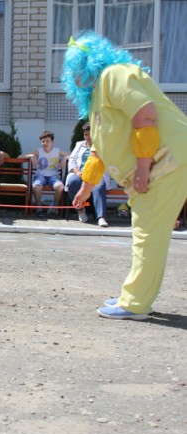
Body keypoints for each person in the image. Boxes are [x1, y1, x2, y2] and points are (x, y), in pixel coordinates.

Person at [64, 32, 187, 320]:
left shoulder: (113, 74)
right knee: (147, 233)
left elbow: (145, 113)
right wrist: (85, 187)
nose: (74, 75)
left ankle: (135, 304)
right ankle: (134, 296)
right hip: (163, 164)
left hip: (165, 163)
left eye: (76, 67)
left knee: (148, 234)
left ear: (89, 64)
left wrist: (144, 167)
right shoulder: (97, 102)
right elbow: (100, 152)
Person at [65, 122, 109, 227]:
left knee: (99, 186)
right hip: (79, 173)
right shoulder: (79, 145)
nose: (87, 137)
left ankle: (101, 217)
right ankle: (80, 210)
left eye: (89, 134)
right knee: (72, 182)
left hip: (96, 175)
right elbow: (72, 160)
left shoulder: (101, 145)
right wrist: (77, 172)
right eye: (85, 135)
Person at [21, 131, 68, 218]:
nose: (45, 143)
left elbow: (72, 156)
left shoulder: (57, 151)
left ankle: (54, 208)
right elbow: (20, 157)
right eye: (43, 141)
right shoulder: (38, 151)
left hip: (53, 176)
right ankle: (39, 208)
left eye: (47, 141)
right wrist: (32, 156)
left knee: (60, 187)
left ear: (52, 142)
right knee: (36, 187)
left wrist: (65, 158)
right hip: (40, 175)